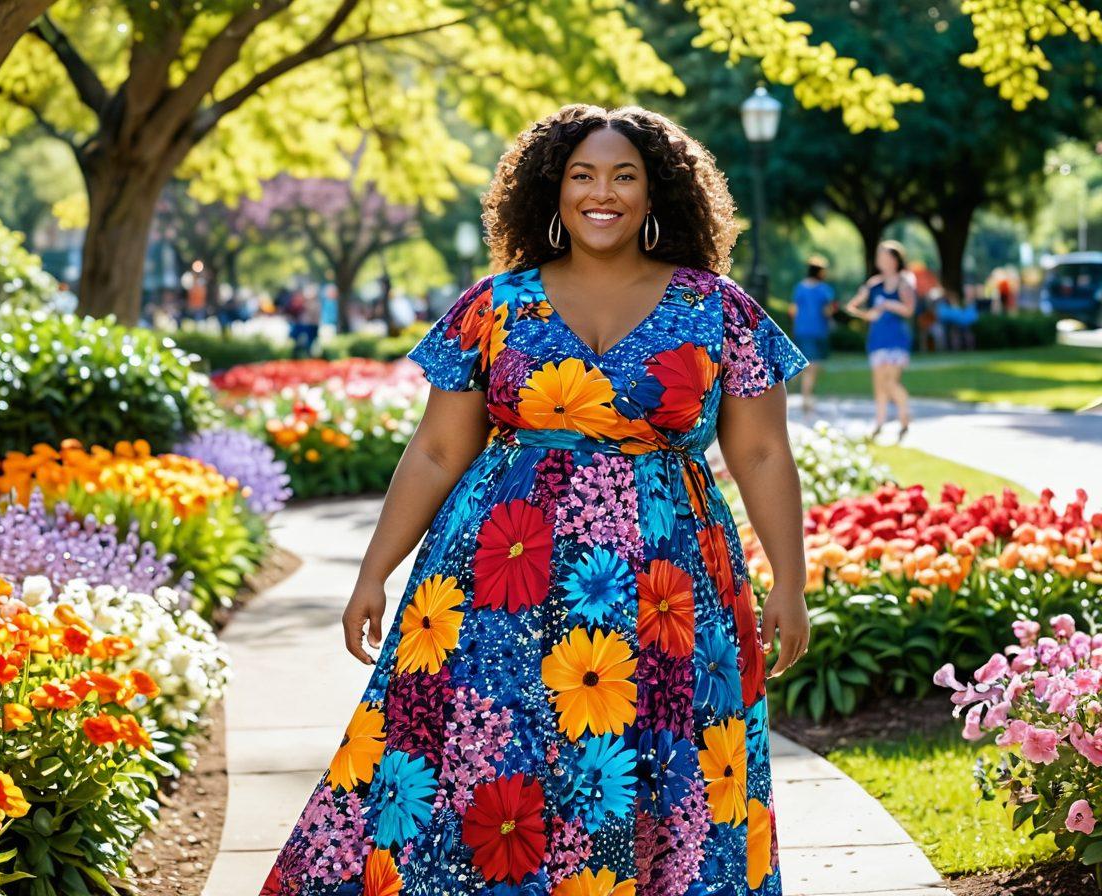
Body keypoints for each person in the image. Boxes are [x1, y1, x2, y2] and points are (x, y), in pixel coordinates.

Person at [260, 104, 811, 896]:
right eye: (582, 175)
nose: (603, 193)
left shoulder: (716, 308)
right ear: (553, 191)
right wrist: (372, 572)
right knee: (492, 770)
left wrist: (789, 581)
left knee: (658, 768)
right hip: (497, 585)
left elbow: (760, 451)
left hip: (668, 592)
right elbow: (439, 449)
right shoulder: (498, 304)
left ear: (656, 195)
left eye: (626, 176)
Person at [844, 239, 916, 441]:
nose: (880, 260)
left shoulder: (904, 282)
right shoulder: (873, 284)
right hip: (877, 340)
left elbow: (909, 309)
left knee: (891, 382)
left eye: (884, 256)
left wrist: (889, 305)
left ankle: (904, 418)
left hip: (897, 340)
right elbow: (852, 307)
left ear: (895, 259)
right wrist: (868, 315)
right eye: (879, 256)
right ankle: (880, 423)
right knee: (879, 384)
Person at [787, 254, 836, 416]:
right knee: (813, 367)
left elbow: (793, 310)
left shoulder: (800, 287)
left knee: (805, 362)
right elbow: (827, 310)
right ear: (821, 272)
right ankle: (806, 399)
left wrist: (796, 325)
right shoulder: (824, 289)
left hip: (801, 330)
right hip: (817, 331)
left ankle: (795, 378)